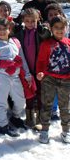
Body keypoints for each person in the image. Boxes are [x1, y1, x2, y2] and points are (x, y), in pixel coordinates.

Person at [0, 18, 33, 137]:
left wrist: (27, 73)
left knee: (21, 99)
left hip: (16, 75)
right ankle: (3, 125)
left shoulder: (15, 41)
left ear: (9, 29)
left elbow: (22, 59)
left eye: (5, 29)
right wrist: (5, 63)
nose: (2, 32)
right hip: (1, 75)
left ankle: (15, 117)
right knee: (2, 101)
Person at [36, 16, 70, 144]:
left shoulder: (68, 42)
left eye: (62, 28)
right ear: (51, 28)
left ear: (66, 28)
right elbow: (41, 61)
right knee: (47, 104)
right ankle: (44, 130)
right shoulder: (46, 44)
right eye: (56, 28)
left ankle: (66, 131)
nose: (59, 30)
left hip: (66, 79)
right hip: (49, 78)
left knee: (65, 106)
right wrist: (40, 71)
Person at [13, 8, 43, 130]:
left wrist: (41, 26)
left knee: (40, 93)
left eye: (33, 21)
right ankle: (30, 116)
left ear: (37, 20)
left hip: (38, 68)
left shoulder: (40, 32)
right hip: (26, 68)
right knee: (29, 93)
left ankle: (40, 118)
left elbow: (47, 34)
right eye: (27, 21)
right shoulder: (21, 33)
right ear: (23, 21)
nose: (30, 23)